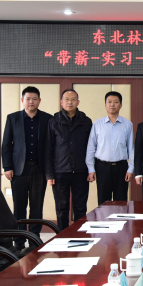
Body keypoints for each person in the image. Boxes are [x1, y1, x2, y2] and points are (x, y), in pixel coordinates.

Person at [2, 86, 52, 249]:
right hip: (18, 170)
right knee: (19, 206)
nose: (31, 102)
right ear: (22, 100)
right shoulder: (13, 118)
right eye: (28, 99)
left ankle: (34, 239)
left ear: (39, 100)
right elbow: (6, 144)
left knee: (37, 206)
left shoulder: (47, 119)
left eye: (34, 99)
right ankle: (19, 241)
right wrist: (7, 167)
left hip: (39, 169)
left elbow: (50, 146)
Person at [45, 89, 92, 231]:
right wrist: (49, 174)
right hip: (60, 171)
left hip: (81, 171)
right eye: (66, 99)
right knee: (61, 208)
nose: (69, 102)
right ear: (61, 102)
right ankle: (62, 235)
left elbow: (92, 148)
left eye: (73, 99)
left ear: (78, 102)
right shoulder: (53, 122)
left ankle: (80, 235)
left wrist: (91, 169)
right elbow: (48, 149)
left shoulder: (86, 122)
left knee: (80, 207)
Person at [86, 91, 135, 205]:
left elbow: (131, 149)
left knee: (121, 203)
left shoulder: (128, 124)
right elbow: (91, 148)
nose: (112, 104)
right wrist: (91, 169)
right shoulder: (97, 124)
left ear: (121, 105)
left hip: (121, 168)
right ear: (105, 105)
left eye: (116, 102)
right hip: (102, 168)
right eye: (109, 102)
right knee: (103, 203)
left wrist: (130, 169)